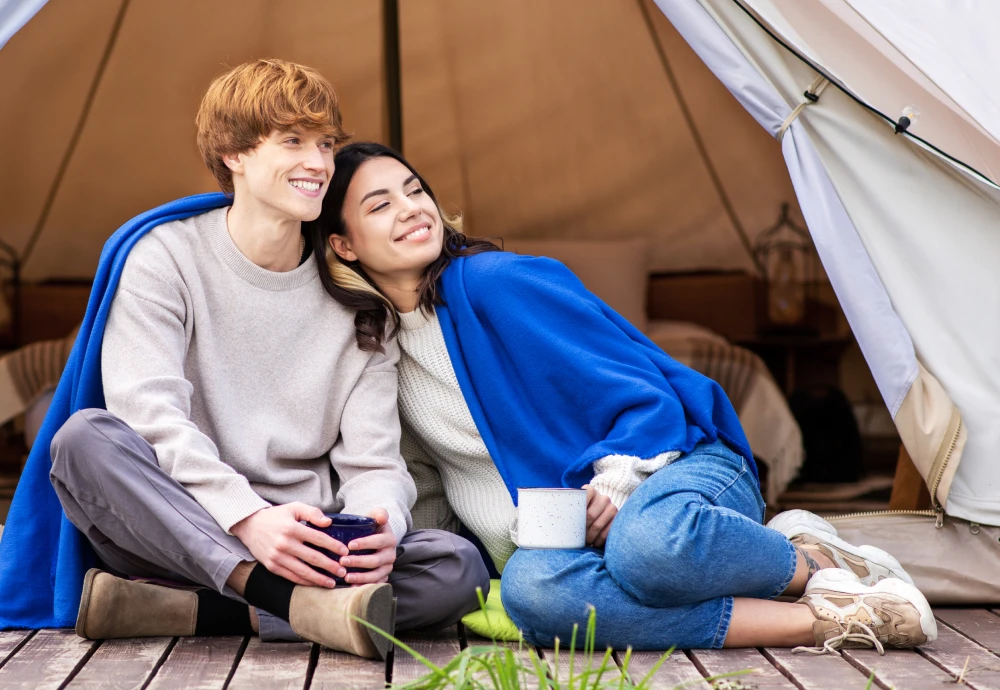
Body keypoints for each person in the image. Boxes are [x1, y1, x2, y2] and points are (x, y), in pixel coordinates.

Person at [308, 141, 937, 654]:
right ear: (343, 245)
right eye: (380, 205)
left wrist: (613, 490)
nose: (412, 209)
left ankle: (811, 559)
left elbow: (647, 399)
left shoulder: (495, 284)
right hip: (563, 537)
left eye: (415, 189)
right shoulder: (380, 352)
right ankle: (836, 619)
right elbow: (432, 485)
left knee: (649, 546)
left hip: (675, 468)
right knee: (534, 594)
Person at [46, 62, 488, 659]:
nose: (319, 163)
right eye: (292, 141)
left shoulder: (356, 294)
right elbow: (150, 417)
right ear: (233, 154)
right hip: (185, 525)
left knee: (456, 566)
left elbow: (373, 461)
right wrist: (247, 520)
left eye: (326, 143)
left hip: (312, 537)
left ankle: (197, 610)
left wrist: (377, 526)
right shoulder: (166, 259)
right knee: (83, 442)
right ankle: (288, 604)